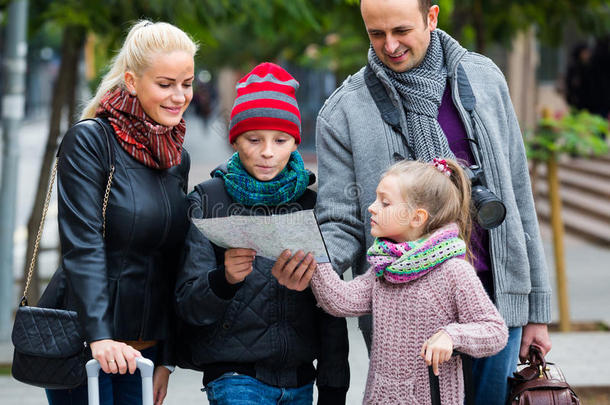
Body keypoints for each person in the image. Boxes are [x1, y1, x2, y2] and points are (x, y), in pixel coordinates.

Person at [309, 1, 552, 404]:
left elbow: (519, 198)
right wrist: (312, 259)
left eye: (401, 31)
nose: (389, 45)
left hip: (496, 304)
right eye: (376, 33)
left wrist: (537, 310)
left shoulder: (485, 79)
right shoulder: (343, 111)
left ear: (432, 17)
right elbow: (340, 221)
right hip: (403, 326)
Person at [175, 62, 350, 405]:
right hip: (234, 377)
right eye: (254, 139)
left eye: (281, 140)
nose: (268, 152)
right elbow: (186, 304)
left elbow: (332, 308)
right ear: (236, 139)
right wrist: (223, 280)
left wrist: (333, 387)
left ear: (295, 142)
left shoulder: (312, 205)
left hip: (301, 378)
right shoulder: (208, 200)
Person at [45, 20, 197, 405]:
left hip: (142, 351)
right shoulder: (91, 141)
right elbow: (83, 245)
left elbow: (171, 262)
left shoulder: (176, 157)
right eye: (165, 84)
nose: (179, 96)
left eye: (187, 83)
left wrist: (166, 357)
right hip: (86, 347)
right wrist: (99, 336)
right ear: (131, 81)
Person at [306, 158, 508, 404]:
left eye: (385, 202)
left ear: (417, 217)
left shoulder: (453, 271)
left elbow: (494, 331)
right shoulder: (384, 268)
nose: (371, 207)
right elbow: (340, 300)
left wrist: (452, 335)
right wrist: (314, 252)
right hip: (380, 397)